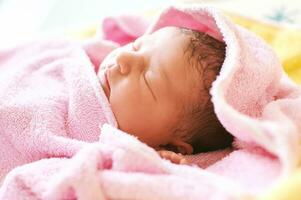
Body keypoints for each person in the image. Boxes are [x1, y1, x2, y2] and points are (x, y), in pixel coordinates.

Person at [98, 26, 233, 164]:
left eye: (147, 79)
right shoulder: (84, 60)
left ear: (171, 147)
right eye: (136, 46)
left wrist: (152, 163)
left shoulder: (124, 159)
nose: (123, 57)